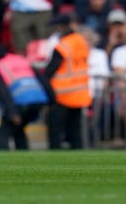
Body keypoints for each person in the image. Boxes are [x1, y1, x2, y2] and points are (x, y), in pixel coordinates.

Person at [40, 14, 91, 149]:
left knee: (55, 130)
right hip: (80, 92)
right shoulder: (81, 41)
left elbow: (51, 69)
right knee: (75, 131)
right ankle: (77, 159)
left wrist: (41, 78)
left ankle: (55, 157)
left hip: (62, 94)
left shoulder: (63, 45)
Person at [0, 43, 48, 150]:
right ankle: (23, 160)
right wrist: (51, 99)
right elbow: (41, 78)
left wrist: (12, 113)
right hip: (38, 100)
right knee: (18, 131)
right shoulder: (20, 60)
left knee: (2, 135)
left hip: (20, 103)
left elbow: (3, 92)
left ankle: (4, 164)